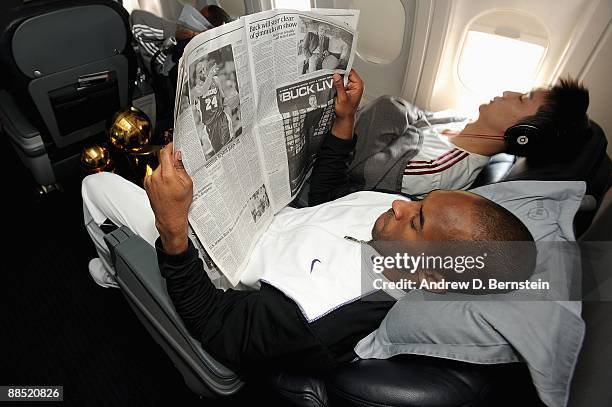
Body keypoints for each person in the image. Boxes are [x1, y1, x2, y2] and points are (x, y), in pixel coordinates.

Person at [82, 70, 535, 375]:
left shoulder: (325, 315)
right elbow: (333, 200)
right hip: (270, 216)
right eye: (422, 202)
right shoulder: (398, 222)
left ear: (432, 279)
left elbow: (218, 328)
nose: (400, 206)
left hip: (215, 259)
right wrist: (345, 122)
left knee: (95, 189)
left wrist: (174, 228)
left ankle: (113, 271)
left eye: (416, 221)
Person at [359, 79, 590, 197]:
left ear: (524, 134)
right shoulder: (462, 119)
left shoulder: (436, 171)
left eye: (523, 99)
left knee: (387, 105)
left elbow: (362, 177)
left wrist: (385, 112)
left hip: (340, 161)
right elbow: (419, 117)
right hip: (358, 134)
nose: (508, 93)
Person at [130, 5, 232, 76]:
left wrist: (176, 30)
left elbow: (136, 18)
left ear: (207, 28)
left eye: (198, 16)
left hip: (166, 68)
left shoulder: (185, 45)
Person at [191, 59, 234, 153]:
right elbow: (203, 91)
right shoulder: (196, 90)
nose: (203, 72)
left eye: (204, 69)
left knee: (228, 147)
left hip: (221, 118)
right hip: (210, 125)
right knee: (218, 152)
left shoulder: (215, 80)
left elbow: (223, 97)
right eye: (200, 72)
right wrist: (210, 75)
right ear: (196, 76)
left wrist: (231, 101)